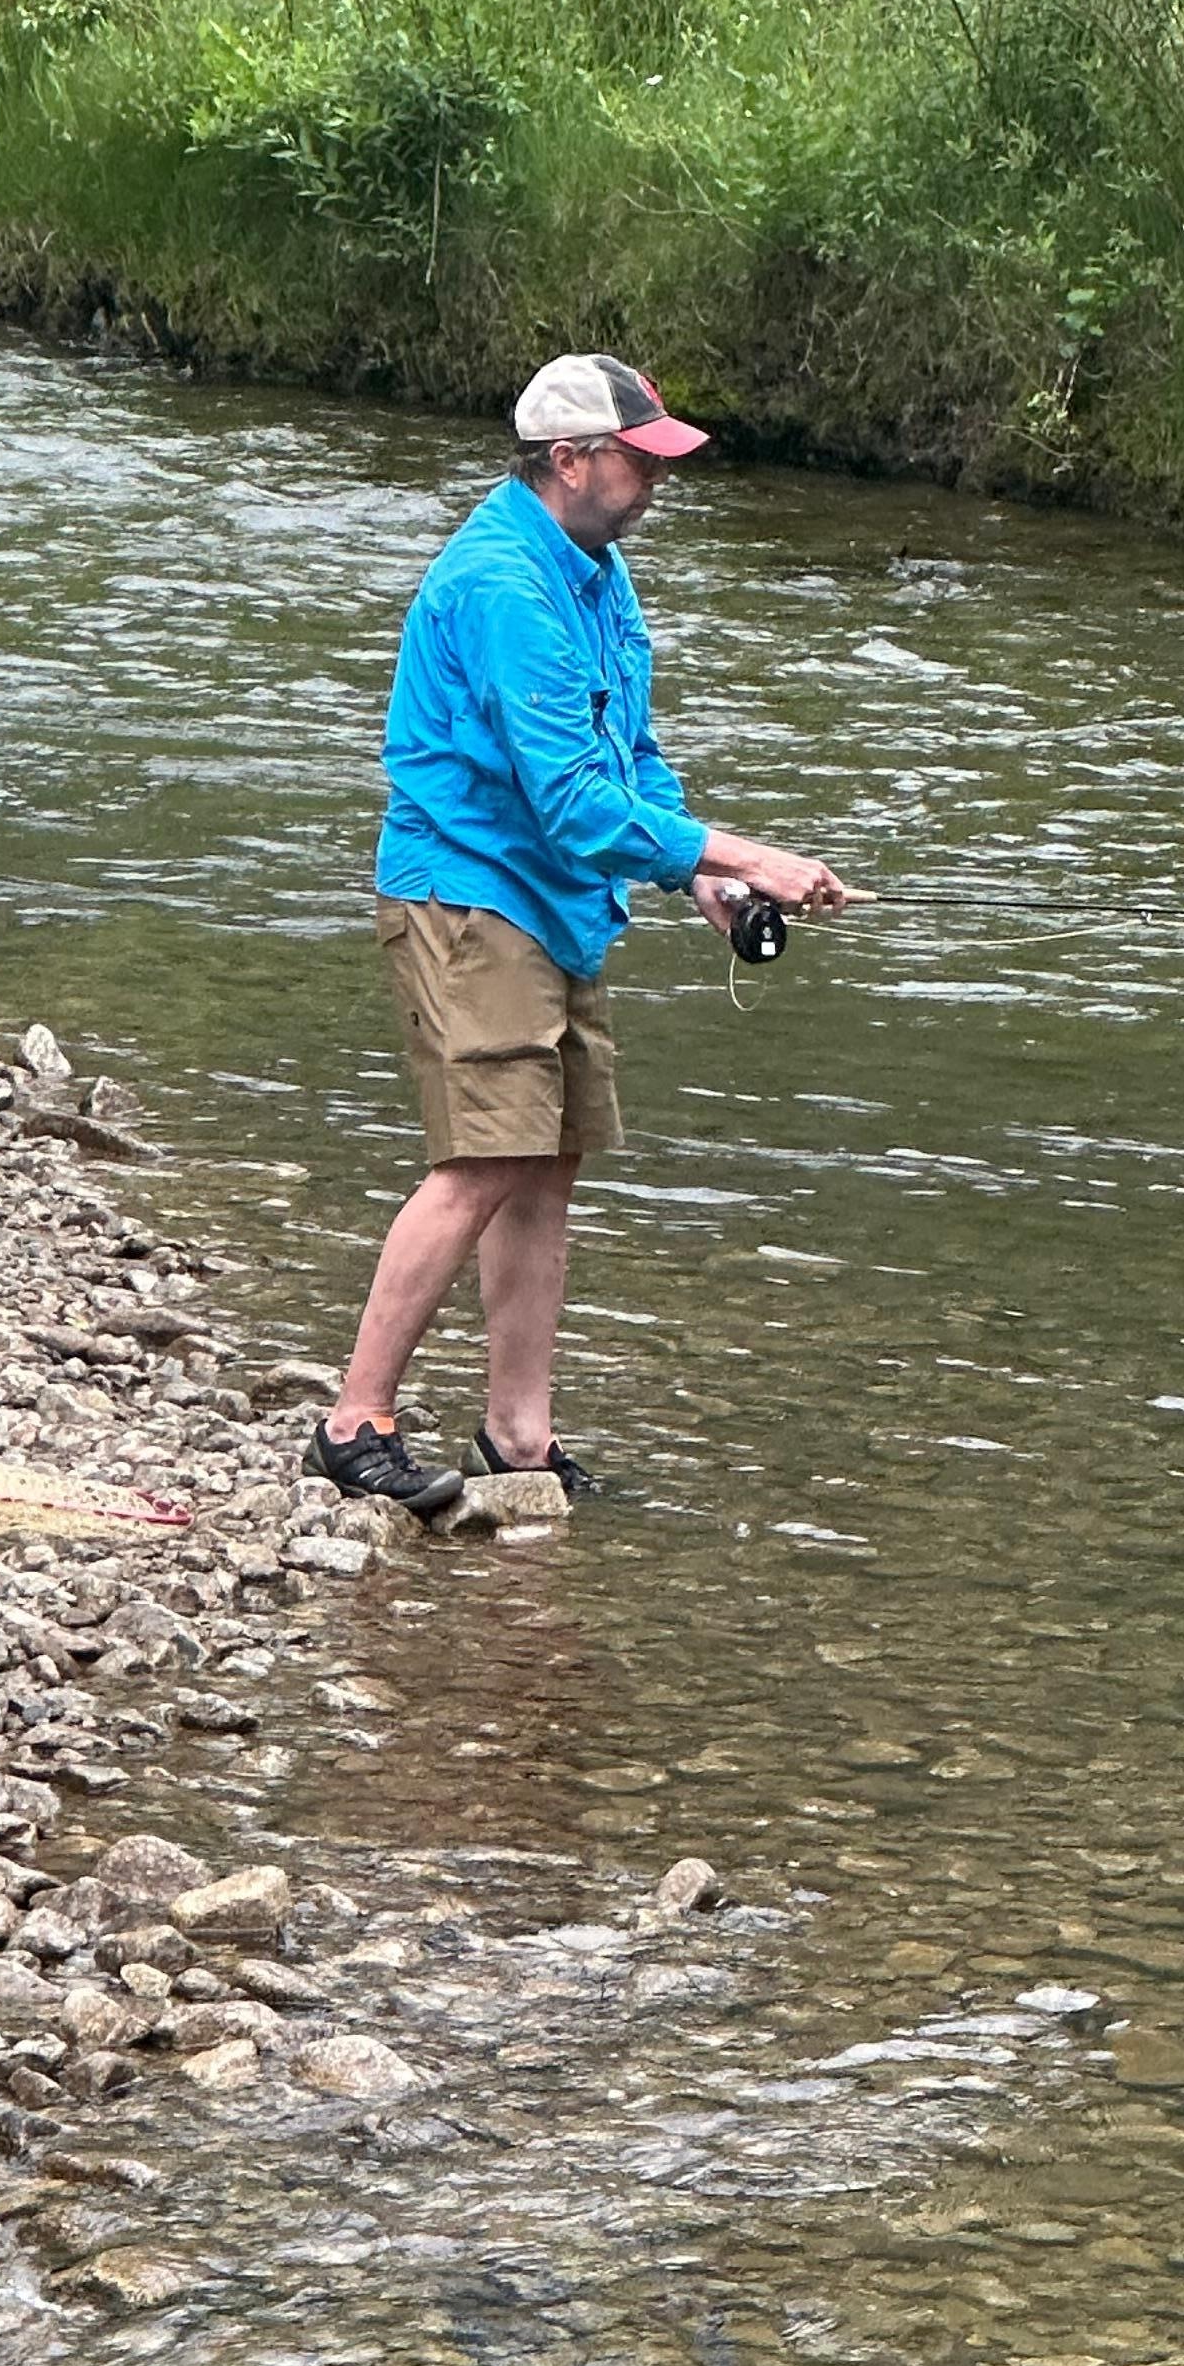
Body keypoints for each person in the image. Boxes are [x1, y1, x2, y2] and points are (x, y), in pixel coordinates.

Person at [311, 351, 853, 1517]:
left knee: (547, 1158)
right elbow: (568, 800)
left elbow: (631, 759)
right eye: (639, 462)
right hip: (471, 896)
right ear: (569, 460)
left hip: (556, 901)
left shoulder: (596, 572)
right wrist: (752, 856)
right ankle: (355, 1423)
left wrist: (704, 882)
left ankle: (520, 1438)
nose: (657, 483)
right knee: (483, 1160)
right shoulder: (505, 588)